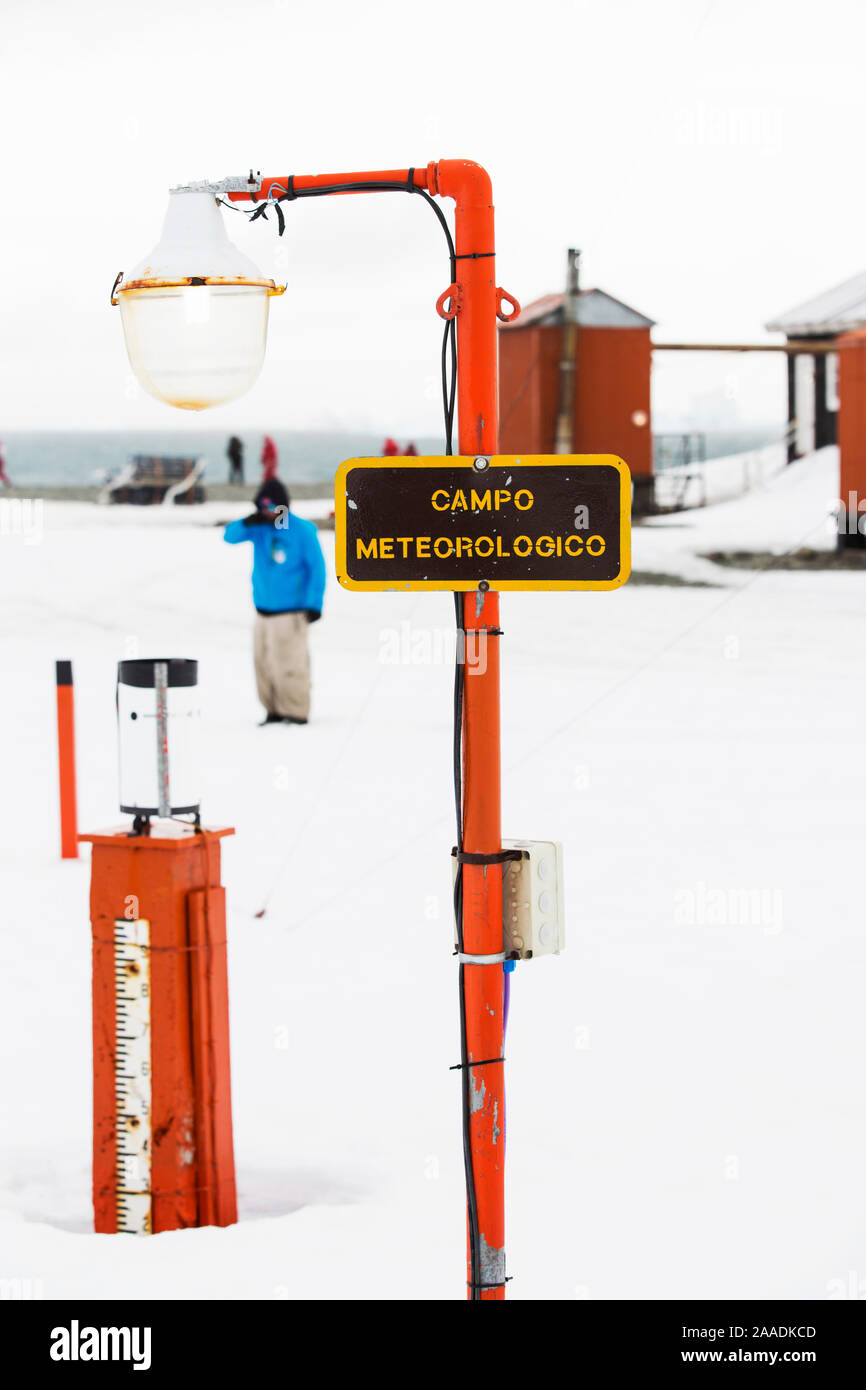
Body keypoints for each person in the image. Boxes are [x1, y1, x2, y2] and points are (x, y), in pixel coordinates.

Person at [223, 478, 326, 725]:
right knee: (265, 663)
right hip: (263, 611)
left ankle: (296, 711)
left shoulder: (302, 530)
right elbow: (229, 536)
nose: (268, 512)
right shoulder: (259, 528)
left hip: (290, 612)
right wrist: (248, 521)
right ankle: (274, 710)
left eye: (272, 507)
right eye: (263, 507)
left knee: (289, 663)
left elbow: (317, 569)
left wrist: (315, 603)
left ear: (284, 507)